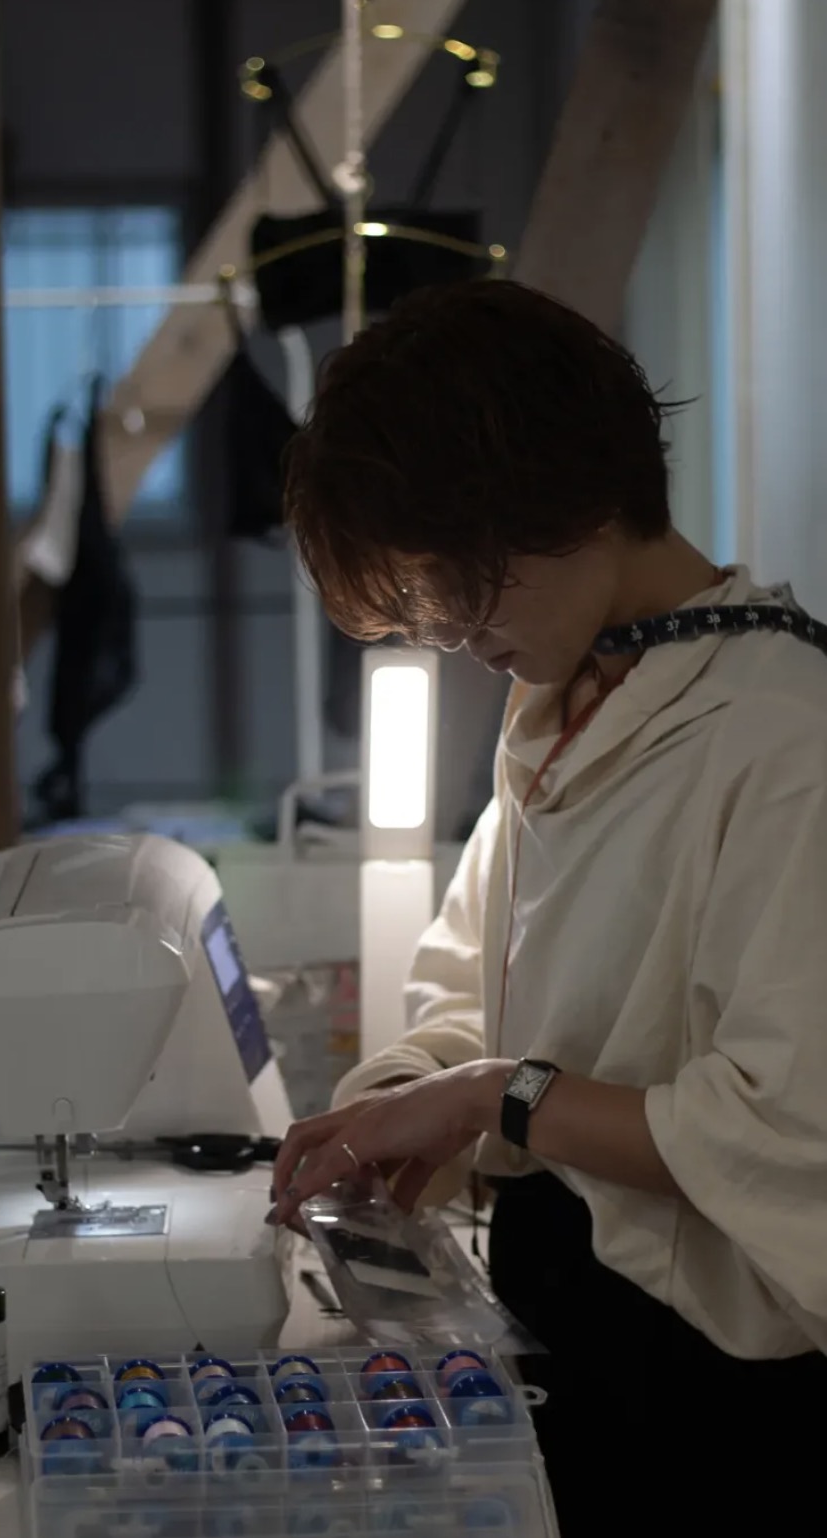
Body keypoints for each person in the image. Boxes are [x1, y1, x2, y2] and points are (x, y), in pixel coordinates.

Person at [270, 280, 827, 1535]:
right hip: (569, 1330)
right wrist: (395, 1099)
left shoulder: (785, 737)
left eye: (462, 598)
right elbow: (476, 983)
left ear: (568, 502)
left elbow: (784, 1129)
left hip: (715, 1393)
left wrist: (490, 1097)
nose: (459, 642)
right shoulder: (566, 701)